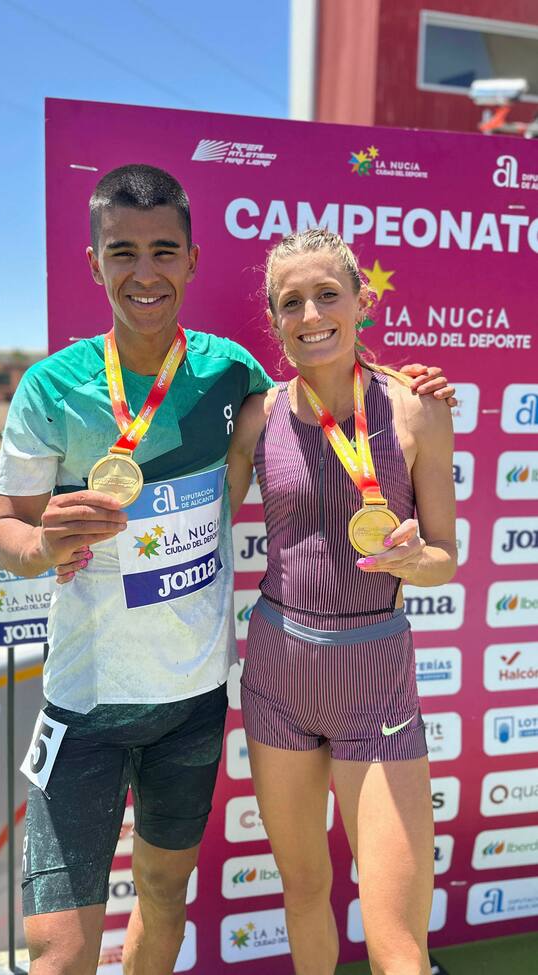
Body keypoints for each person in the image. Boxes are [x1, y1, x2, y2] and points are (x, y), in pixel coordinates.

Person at [0, 164, 455, 975]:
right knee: (70, 951)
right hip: (143, 688)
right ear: (94, 262)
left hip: (264, 688)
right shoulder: (83, 389)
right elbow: (22, 528)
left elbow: (437, 542)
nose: (145, 271)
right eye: (122, 251)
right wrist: (45, 546)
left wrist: (420, 541)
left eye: (163, 250)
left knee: (361, 941)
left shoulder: (296, 389)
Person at [224, 228, 457, 975]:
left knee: (397, 944)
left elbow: (445, 560)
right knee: (305, 890)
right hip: (278, 675)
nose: (312, 313)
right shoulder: (258, 416)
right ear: (274, 318)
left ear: (362, 301)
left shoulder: (416, 410)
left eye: (328, 294)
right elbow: (202, 524)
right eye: (291, 302)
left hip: (375, 680)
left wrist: (415, 558)